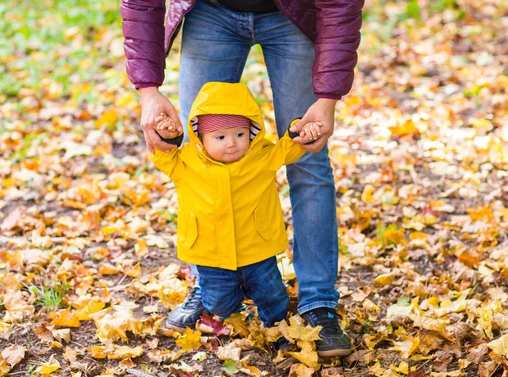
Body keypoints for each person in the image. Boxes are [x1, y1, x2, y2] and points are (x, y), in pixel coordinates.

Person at [121, 0, 363, 356]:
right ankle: (210, 285)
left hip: (294, 14)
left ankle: (318, 304)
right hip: (210, 12)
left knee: (307, 153)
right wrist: (147, 89)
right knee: (197, 153)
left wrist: (328, 97)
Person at [151, 81, 321, 330]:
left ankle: (278, 329)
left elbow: (288, 148)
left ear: (251, 132)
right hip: (211, 251)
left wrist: (299, 132)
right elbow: (163, 155)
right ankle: (219, 313)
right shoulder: (187, 162)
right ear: (200, 137)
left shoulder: (261, 156)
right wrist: (167, 136)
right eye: (220, 137)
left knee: (271, 295)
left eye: (240, 135)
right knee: (218, 298)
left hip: (257, 248)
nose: (231, 143)